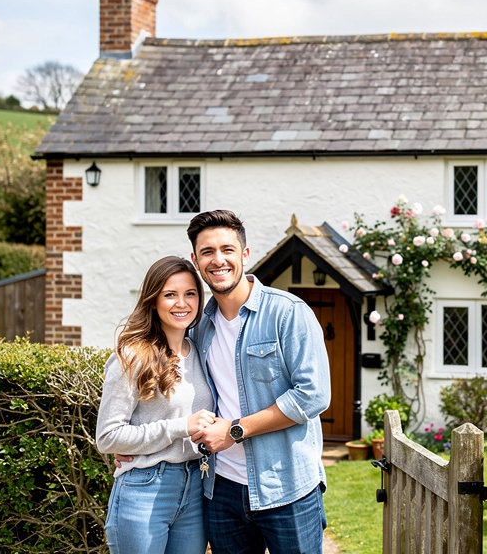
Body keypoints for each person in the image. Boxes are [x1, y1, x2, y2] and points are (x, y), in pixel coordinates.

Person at [187, 209, 331, 554]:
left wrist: (235, 430)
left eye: (227, 249)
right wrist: (133, 442)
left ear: (245, 255)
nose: (217, 260)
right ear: (195, 261)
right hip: (222, 488)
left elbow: (313, 396)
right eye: (207, 252)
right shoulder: (199, 325)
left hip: (287, 487)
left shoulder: (287, 312)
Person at [96, 256, 216, 554]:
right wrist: (180, 427)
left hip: (195, 486)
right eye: (170, 294)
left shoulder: (200, 350)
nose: (182, 303)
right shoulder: (133, 356)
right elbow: (108, 437)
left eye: (190, 293)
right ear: (153, 301)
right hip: (144, 488)